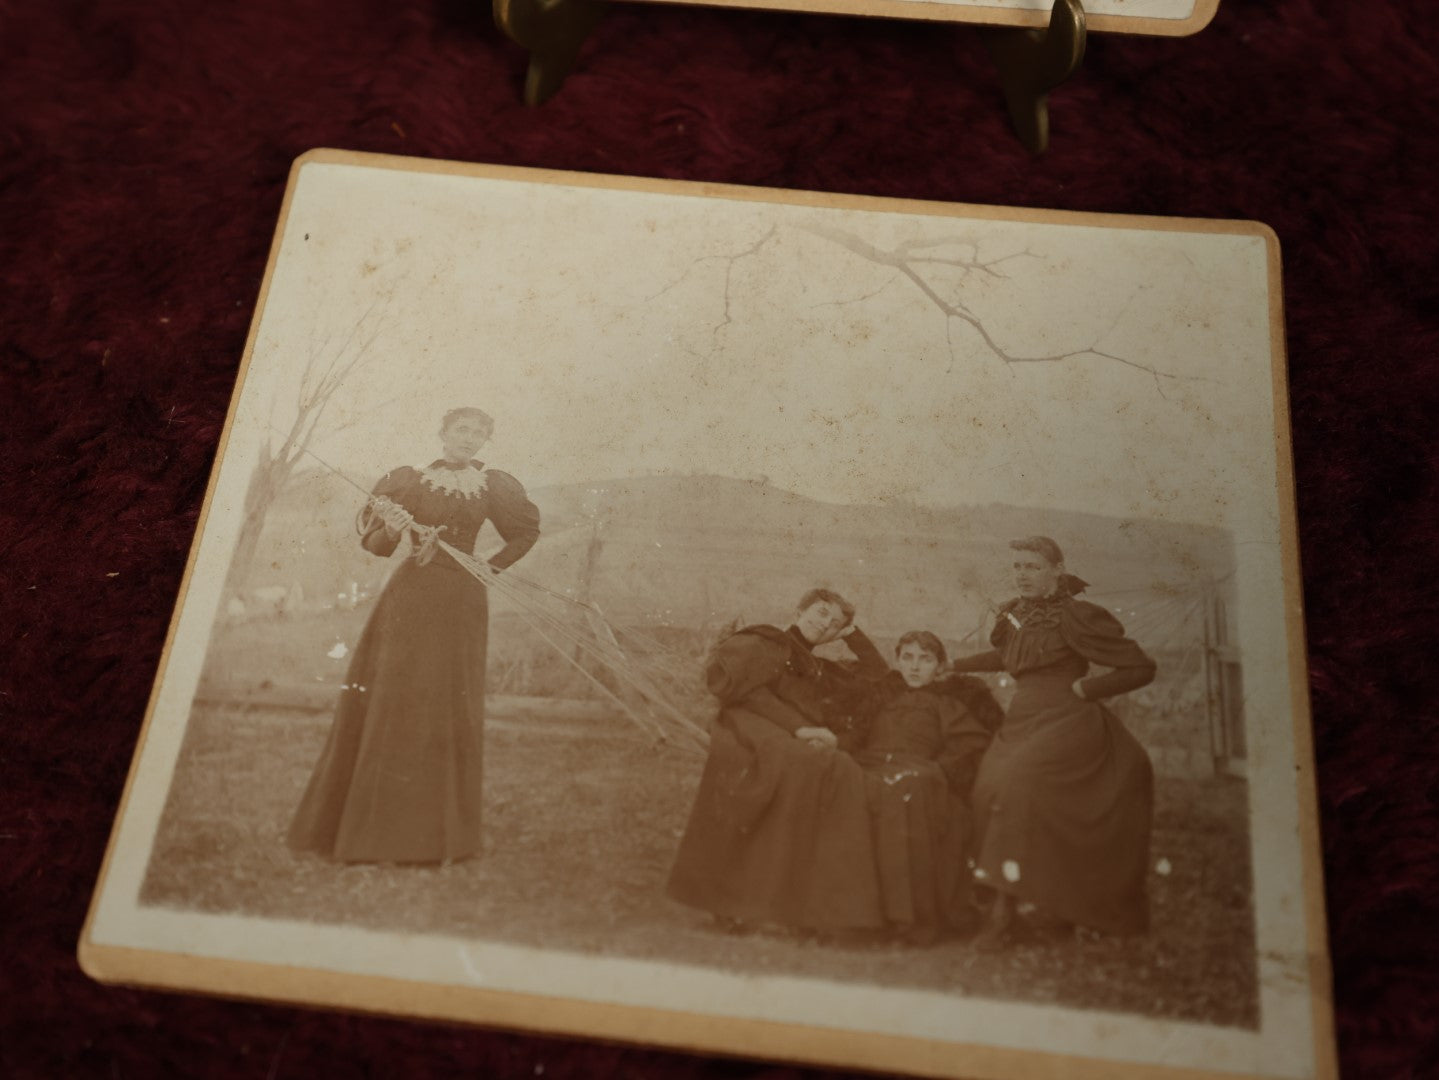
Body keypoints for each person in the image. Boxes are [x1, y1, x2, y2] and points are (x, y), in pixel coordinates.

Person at [286, 406, 540, 864]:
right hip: (411, 599)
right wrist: (391, 526)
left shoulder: (492, 484)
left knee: (446, 700)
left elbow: (525, 532)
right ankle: (371, 835)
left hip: (463, 599)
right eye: (462, 430)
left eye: (480, 433)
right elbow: (376, 546)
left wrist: (491, 565)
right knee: (394, 697)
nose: (470, 439)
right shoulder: (409, 479)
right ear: (442, 433)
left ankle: (438, 838)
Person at [951, 536, 1157, 945]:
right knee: (988, 787)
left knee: (1015, 789)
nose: (1022, 574)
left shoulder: (1078, 615)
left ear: (1057, 570)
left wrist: (1087, 690)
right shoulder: (1015, 615)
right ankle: (1022, 898)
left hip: (1068, 719)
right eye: (1017, 567)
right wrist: (954, 665)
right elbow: (1008, 658)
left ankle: (1003, 915)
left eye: (1032, 566)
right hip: (1024, 718)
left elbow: (1140, 667)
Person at [667, 588, 891, 933]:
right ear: (798, 611)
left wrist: (853, 635)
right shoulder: (767, 641)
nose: (824, 624)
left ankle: (806, 904)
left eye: (834, 624)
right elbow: (747, 691)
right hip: (748, 722)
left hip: (784, 732)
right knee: (794, 767)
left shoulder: (818, 667)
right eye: (819, 613)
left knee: (835, 768)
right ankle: (735, 901)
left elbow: (878, 675)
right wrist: (799, 727)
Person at [850, 631, 997, 943]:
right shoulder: (880, 697)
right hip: (871, 764)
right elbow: (854, 735)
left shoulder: (947, 702)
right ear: (897, 661)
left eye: (925, 659)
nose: (915, 667)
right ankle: (857, 916)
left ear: (939, 666)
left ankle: (909, 919)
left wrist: (937, 770)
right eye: (908, 658)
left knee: (908, 790)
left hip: (921, 771)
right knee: (848, 786)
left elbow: (970, 744)